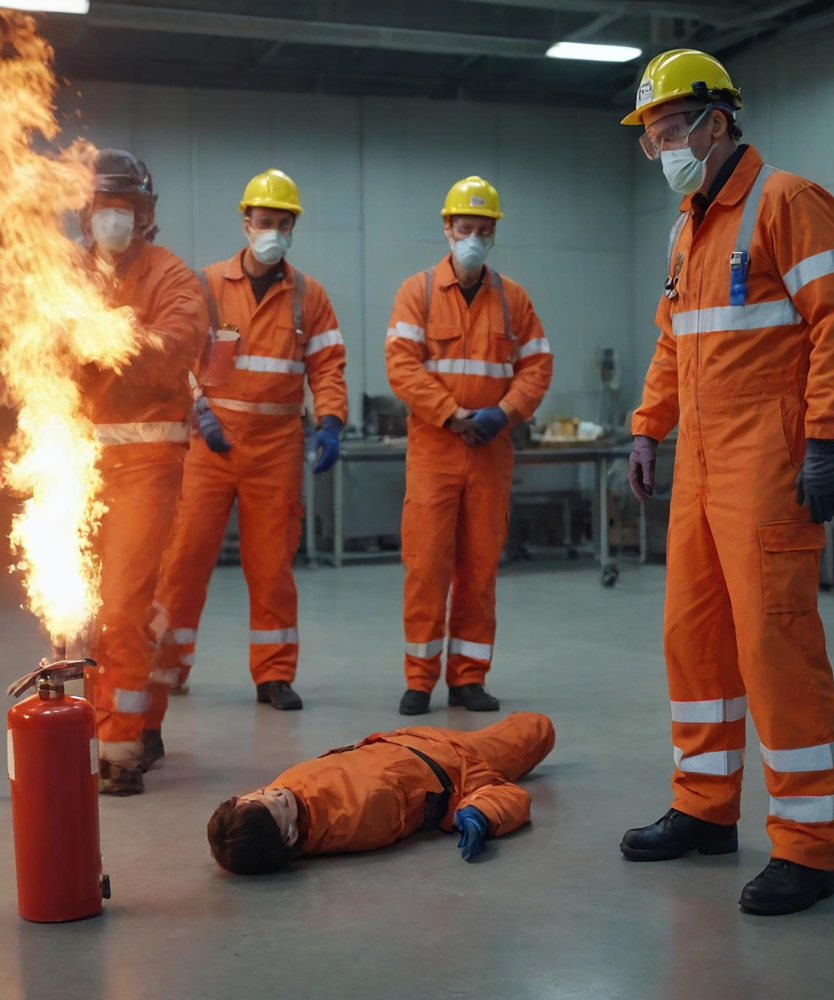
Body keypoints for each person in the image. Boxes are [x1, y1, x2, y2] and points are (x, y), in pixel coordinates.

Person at [619, 49, 834, 915]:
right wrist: (648, 428)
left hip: (769, 464)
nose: (660, 147)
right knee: (694, 642)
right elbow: (671, 338)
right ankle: (704, 808)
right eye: (650, 135)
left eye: (667, 128)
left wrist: (829, 439)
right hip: (698, 466)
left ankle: (806, 847)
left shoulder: (789, 203)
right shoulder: (688, 226)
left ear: (716, 122)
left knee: (776, 646)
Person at [149, 168, 347, 747]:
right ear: (246, 223)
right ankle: (169, 665)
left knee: (272, 566)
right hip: (209, 449)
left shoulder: (309, 297)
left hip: (276, 452)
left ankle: (275, 674)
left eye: (283, 223)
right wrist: (197, 412)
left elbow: (328, 366)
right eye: (265, 221)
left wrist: (330, 419)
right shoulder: (206, 285)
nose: (274, 231)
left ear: (293, 227)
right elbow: (180, 358)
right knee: (183, 561)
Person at [385, 176, 553, 717]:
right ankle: (419, 678)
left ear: (494, 232)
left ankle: (468, 678)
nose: (473, 238)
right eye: (465, 228)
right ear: (447, 229)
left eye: (483, 230)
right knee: (426, 566)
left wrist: (503, 413)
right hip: (436, 450)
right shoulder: (419, 293)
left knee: (479, 569)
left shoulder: (515, 300)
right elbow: (402, 366)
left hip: (490, 451)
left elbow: (537, 367)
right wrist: (452, 415)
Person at [78, 149, 208, 795]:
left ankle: (120, 750)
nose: (113, 220)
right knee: (80, 612)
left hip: (148, 465)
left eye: (124, 208)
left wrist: (103, 341)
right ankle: (129, 719)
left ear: (145, 214)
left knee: (124, 604)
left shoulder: (172, 275)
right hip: (74, 464)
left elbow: (175, 346)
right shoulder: (64, 276)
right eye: (104, 207)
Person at [206, 712, 555, 874]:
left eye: (261, 792)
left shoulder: (280, 800)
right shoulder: (356, 822)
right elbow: (495, 795)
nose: (276, 791)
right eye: (277, 803)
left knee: (530, 728)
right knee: (537, 728)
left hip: (405, 740)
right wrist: (481, 813)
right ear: (290, 836)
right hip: (460, 766)